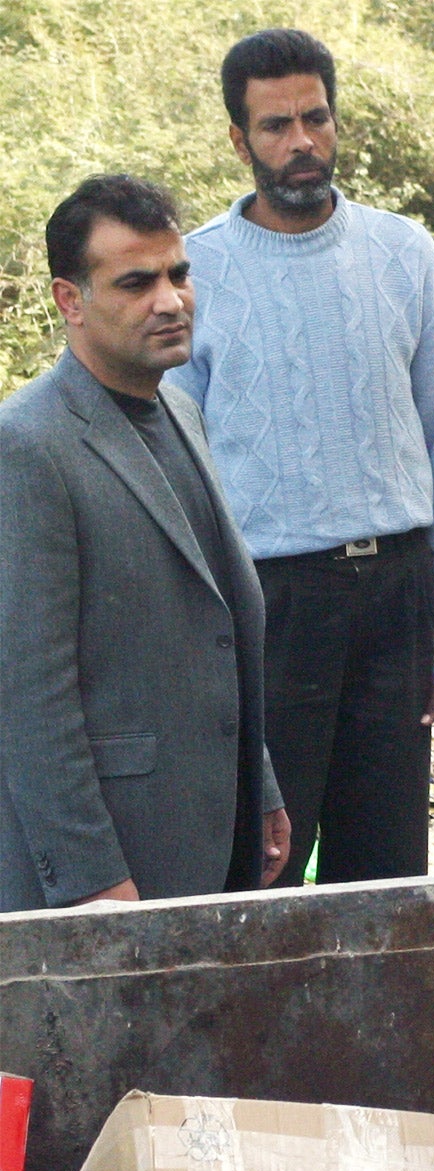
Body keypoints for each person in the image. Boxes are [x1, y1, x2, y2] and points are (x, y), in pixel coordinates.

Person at [167, 29, 434, 887]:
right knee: (259, 868)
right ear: (239, 141)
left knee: (385, 873)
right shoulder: (192, 273)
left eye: (314, 118)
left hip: (399, 594)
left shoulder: (405, 254)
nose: (300, 142)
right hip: (271, 606)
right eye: (274, 126)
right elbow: (181, 481)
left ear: (336, 122)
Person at [0, 176, 288, 910]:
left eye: (179, 274)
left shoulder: (183, 412)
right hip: (115, 871)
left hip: (213, 841)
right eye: (136, 282)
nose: (170, 300)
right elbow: (29, 696)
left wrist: (259, 789)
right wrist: (91, 881)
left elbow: (214, 627)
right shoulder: (28, 445)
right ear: (71, 301)